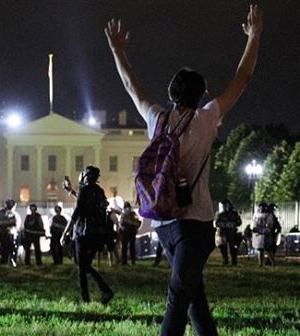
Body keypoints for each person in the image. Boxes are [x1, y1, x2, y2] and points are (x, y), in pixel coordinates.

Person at [105, 5, 262, 335]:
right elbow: (243, 79)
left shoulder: (157, 119)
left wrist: (118, 51)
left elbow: (131, 86)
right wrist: (254, 36)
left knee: (190, 295)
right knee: (183, 296)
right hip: (195, 224)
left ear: (172, 94)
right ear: (202, 94)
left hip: (163, 219)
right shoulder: (206, 120)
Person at [61, 166, 113, 304]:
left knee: (82, 266)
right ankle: (104, 291)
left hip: (83, 233)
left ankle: (88, 297)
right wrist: (70, 191)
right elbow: (85, 201)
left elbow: (77, 211)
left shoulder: (85, 191)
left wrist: (65, 232)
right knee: (85, 265)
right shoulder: (99, 191)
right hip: (97, 234)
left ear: (86, 177)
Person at [214, 199, 242, 266]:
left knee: (233, 247)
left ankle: (234, 261)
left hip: (231, 232)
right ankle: (225, 260)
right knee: (222, 247)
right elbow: (216, 223)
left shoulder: (234, 213)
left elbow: (239, 222)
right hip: (222, 233)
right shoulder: (219, 214)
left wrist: (233, 224)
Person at [0, 199, 19, 267]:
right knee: (9, 247)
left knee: (7, 247)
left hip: (8, 233)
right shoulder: (7, 213)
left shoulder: (3, 213)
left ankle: (6, 260)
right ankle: (9, 260)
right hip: (9, 233)